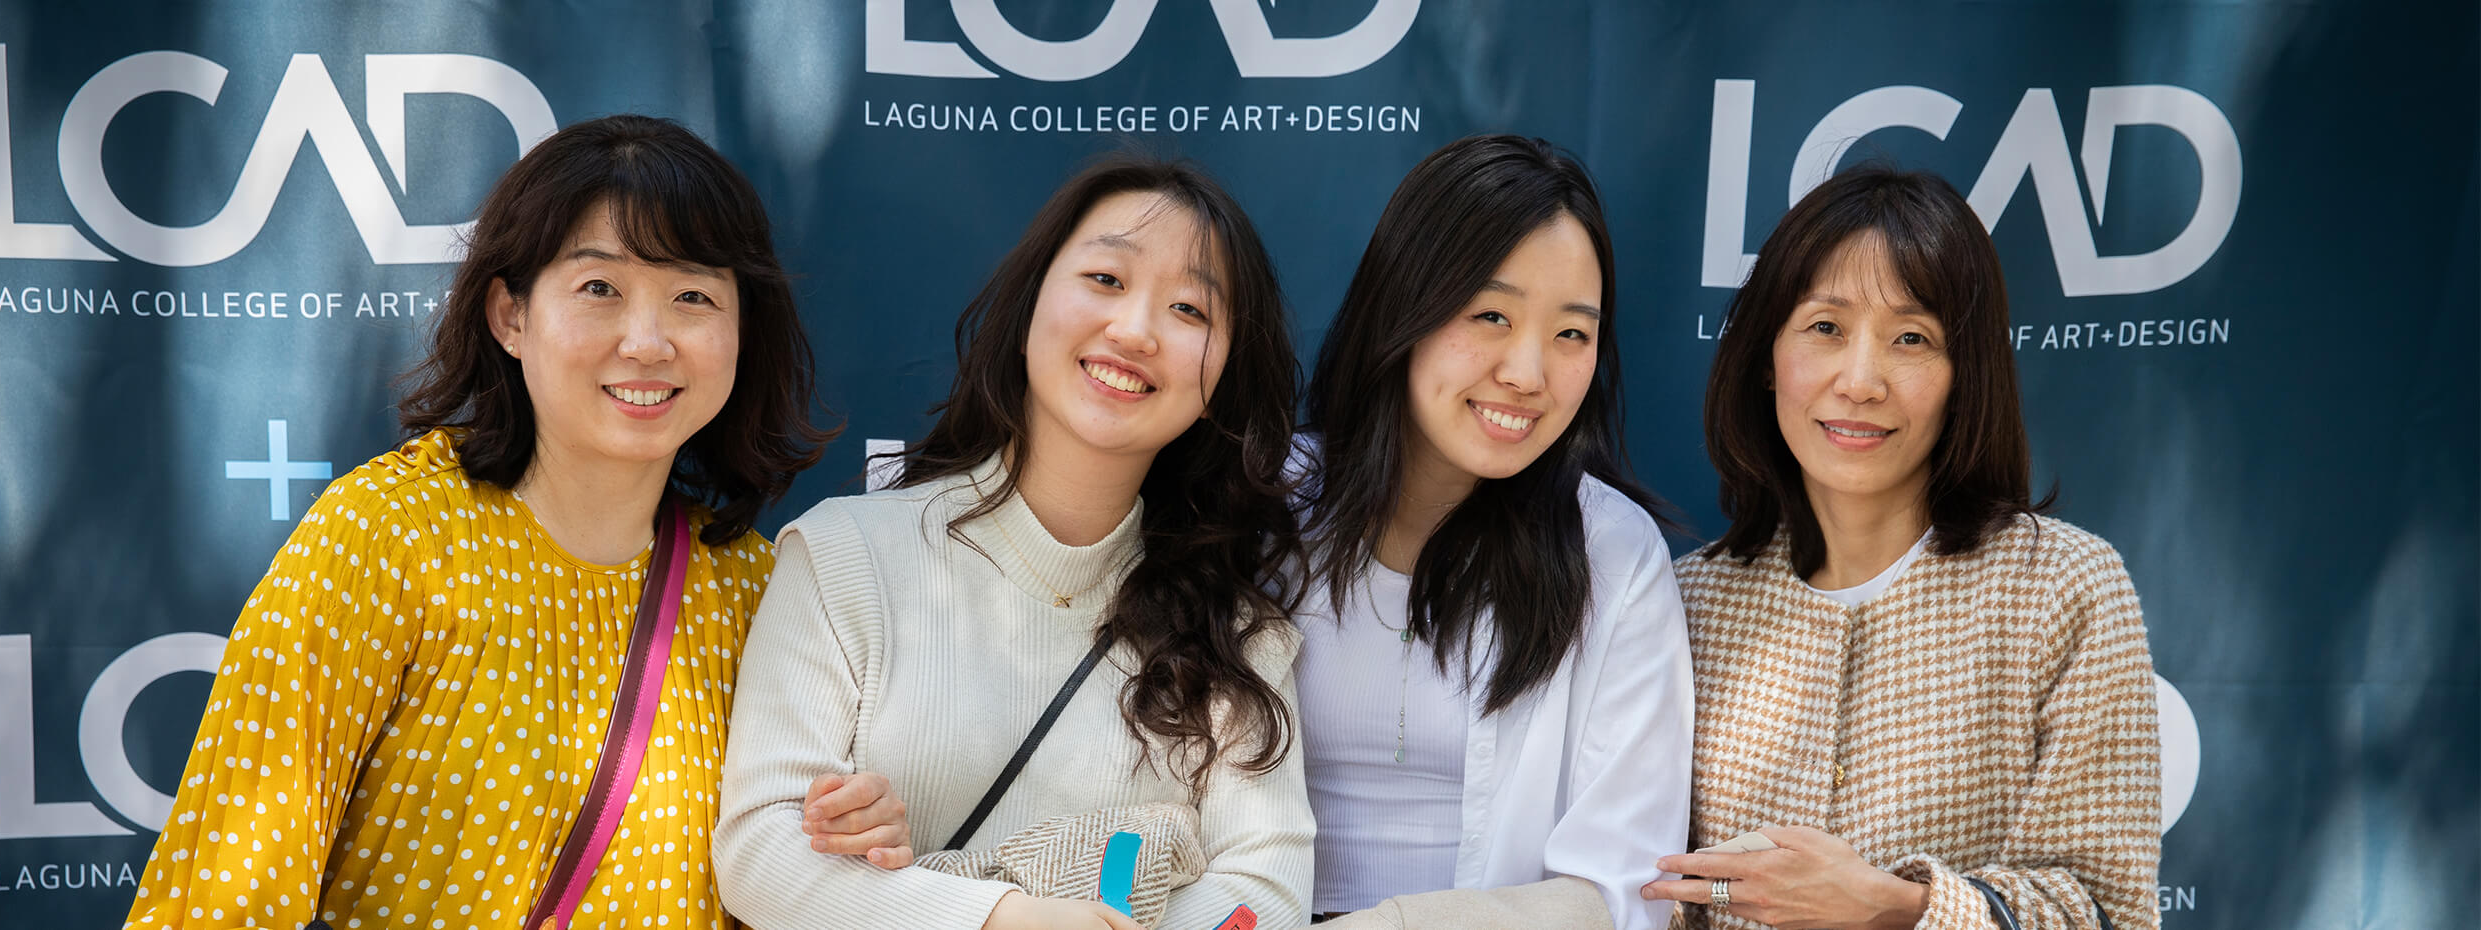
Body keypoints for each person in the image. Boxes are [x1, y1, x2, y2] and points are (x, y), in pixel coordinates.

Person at [121, 114, 853, 928]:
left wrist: (846, 856)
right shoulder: (389, 536)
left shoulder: (756, 590)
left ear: (743, 329)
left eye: (693, 297)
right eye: (600, 288)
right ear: (510, 316)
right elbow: (225, 894)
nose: (648, 343)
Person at [713, 156, 1313, 930]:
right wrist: (1000, 918)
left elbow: (1268, 896)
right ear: (1030, 304)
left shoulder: (1240, 636)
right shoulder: (845, 555)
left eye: (1189, 310)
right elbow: (761, 851)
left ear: (1222, 379)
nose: (1134, 330)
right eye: (1106, 279)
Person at [1644, 164, 2162, 930]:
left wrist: (1896, 907)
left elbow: (2110, 912)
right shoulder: (1687, 605)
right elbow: (1638, 891)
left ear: (1964, 375)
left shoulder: (2062, 588)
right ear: (1765, 357)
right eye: (1825, 327)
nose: (1861, 381)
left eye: (1911, 339)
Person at [1295, 134, 1693, 930]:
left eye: (1571, 333)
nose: (1527, 374)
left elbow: (1622, 890)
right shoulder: (1264, 509)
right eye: (1491, 315)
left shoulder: (1613, 553)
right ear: (1404, 305)